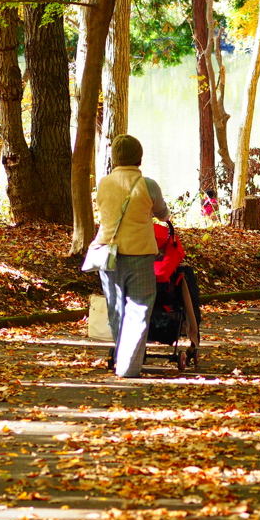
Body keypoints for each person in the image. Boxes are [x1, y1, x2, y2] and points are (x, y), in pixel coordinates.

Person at [93, 134, 170, 377]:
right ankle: (129, 367)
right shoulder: (148, 185)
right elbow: (163, 214)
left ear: (115, 158)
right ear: (139, 157)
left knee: (116, 309)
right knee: (139, 309)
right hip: (140, 254)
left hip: (108, 254)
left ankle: (121, 359)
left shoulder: (104, 183)